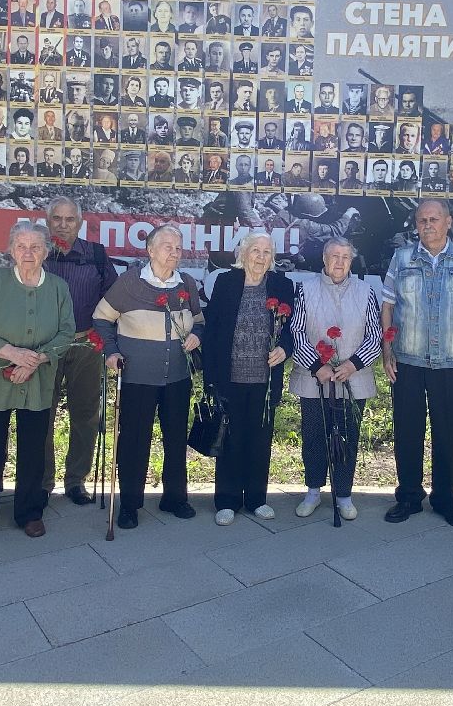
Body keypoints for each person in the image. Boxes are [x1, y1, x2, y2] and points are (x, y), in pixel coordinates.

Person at [0, 220, 74, 550]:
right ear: (10, 250)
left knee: (34, 449)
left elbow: (66, 333)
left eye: (35, 247)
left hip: (37, 379)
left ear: (46, 252)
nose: (28, 253)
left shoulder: (57, 288)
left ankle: (29, 512)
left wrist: (36, 359)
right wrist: (11, 353)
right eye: (21, 247)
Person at [381, 200, 453, 528]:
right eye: (422, 220)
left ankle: (445, 500)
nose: (428, 225)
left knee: (447, 434)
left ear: (448, 222)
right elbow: (387, 306)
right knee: (407, 432)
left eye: (434, 219)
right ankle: (409, 497)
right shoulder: (401, 259)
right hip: (408, 360)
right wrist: (387, 348)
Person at [92, 225, 203, 528]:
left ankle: (175, 498)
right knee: (134, 441)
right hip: (137, 376)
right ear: (150, 250)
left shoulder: (187, 284)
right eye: (167, 246)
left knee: (176, 438)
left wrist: (197, 335)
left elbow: (199, 321)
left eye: (178, 247)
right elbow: (101, 319)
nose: (174, 252)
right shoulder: (129, 283)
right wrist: (112, 352)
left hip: (177, 377)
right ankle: (129, 505)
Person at [201, 233, 294, 524]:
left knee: (259, 440)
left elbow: (292, 329)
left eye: (267, 252)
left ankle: (256, 499)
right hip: (230, 377)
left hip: (264, 380)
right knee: (230, 439)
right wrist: (211, 379)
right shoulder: (227, 283)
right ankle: (227, 501)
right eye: (255, 250)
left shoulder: (282, 285)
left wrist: (284, 348)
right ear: (243, 254)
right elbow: (213, 331)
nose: (261, 257)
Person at [289, 238, 381, 520]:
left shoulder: (366, 291)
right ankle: (314, 491)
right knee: (314, 435)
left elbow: (375, 336)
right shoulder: (306, 290)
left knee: (347, 436)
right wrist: (318, 366)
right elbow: (297, 332)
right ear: (324, 260)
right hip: (315, 379)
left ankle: (344, 494)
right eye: (334, 256)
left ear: (351, 262)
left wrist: (352, 365)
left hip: (352, 379)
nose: (339, 262)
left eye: (345, 257)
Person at [39, 198, 119, 504]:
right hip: (45, 346)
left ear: (80, 222)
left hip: (86, 343)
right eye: (56, 218)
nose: (62, 224)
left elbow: (111, 299)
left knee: (85, 414)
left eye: (69, 219)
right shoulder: (38, 252)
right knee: (41, 413)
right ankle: (42, 482)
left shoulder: (95, 254)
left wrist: (107, 340)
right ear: (48, 222)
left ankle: (76, 481)